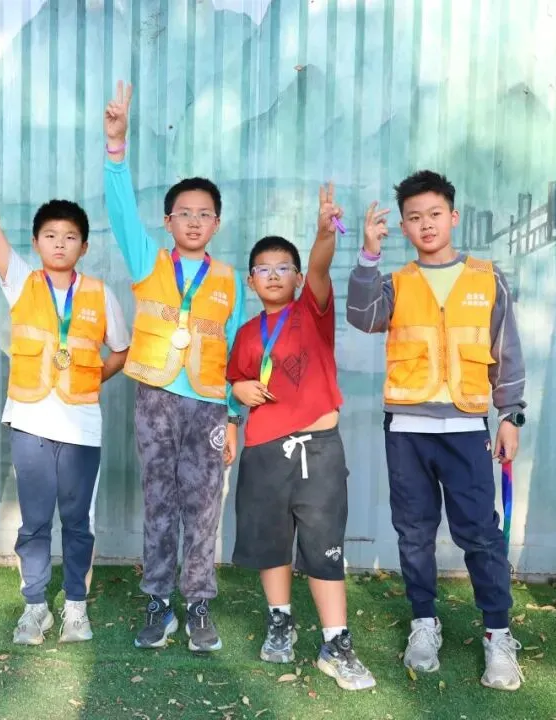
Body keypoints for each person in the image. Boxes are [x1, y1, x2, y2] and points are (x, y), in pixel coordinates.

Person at [0, 120, 130, 645]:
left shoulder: (100, 294)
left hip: (82, 427)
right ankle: (35, 607)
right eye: (50, 236)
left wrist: (92, 377)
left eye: (70, 237)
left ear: (84, 246)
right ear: (36, 242)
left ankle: (74, 607)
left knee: (77, 522)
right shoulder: (21, 282)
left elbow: (121, 351)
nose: (59, 243)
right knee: (33, 523)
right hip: (29, 423)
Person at [347, 170, 527, 691]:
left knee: (481, 535)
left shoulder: (487, 279)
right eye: (414, 217)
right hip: (407, 430)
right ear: (403, 227)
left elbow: (507, 352)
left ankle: (498, 635)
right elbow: (361, 316)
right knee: (414, 533)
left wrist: (510, 416)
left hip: (467, 428)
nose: (425, 224)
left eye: (434, 214)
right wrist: (368, 255)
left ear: (453, 216)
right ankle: (424, 623)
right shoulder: (395, 283)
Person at [102, 81, 244, 653]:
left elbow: (237, 351)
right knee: (160, 500)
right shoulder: (147, 261)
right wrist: (116, 148)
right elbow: (119, 210)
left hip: (208, 405)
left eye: (204, 214)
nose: (193, 221)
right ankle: (158, 601)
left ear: (217, 224)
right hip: (155, 400)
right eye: (183, 213)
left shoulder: (230, 280)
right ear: (167, 221)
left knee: (204, 505)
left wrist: (233, 416)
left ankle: (200, 603)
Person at [228, 185, 375, 691]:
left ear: (296, 277)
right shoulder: (247, 333)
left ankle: (336, 643)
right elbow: (236, 380)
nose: (274, 275)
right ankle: (281, 622)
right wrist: (238, 390)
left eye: (283, 268)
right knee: (272, 543)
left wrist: (322, 232)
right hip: (263, 451)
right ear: (250, 279)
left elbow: (320, 266)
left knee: (323, 545)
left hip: (318, 450)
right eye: (263, 268)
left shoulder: (312, 310)